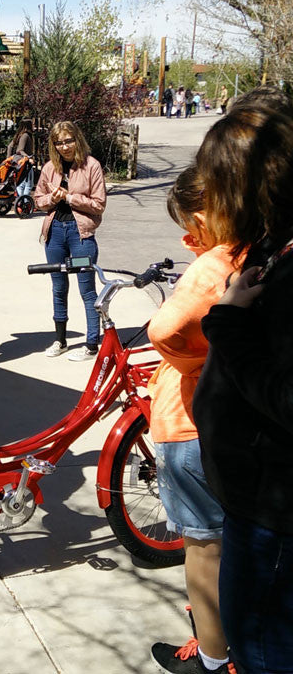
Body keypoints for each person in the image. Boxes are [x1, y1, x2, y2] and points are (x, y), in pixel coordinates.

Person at [191, 88, 293, 674]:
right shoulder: (275, 241)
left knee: (260, 653)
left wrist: (228, 325)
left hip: (273, 522)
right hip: (253, 510)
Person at [147, 165, 240, 674]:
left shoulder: (215, 265)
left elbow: (165, 328)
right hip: (229, 428)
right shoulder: (264, 251)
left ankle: (210, 659)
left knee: (203, 549)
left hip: (187, 424)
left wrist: (193, 363)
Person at [33, 120, 106, 361]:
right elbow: (37, 200)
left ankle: (92, 343)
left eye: (68, 141)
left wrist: (71, 197)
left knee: (87, 289)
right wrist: (52, 200)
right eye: (59, 143)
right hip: (55, 233)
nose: (65, 147)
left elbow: (99, 205)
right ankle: (60, 340)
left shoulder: (91, 166)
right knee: (58, 287)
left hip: (80, 234)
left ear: (77, 140)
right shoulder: (48, 168)